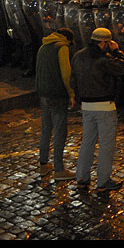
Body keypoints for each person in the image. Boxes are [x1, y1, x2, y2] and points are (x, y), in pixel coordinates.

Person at [71, 27, 124, 193]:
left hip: (86, 106)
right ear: (104, 42)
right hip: (104, 105)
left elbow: (73, 79)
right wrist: (117, 50)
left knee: (87, 143)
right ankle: (103, 181)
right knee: (106, 145)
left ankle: (82, 178)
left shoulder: (78, 56)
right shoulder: (103, 58)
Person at [35, 28, 77, 181]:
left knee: (46, 129)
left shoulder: (43, 46)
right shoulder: (62, 47)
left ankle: (43, 165)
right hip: (57, 95)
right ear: (67, 38)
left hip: (43, 93)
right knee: (60, 132)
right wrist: (72, 94)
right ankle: (59, 169)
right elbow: (66, 74)